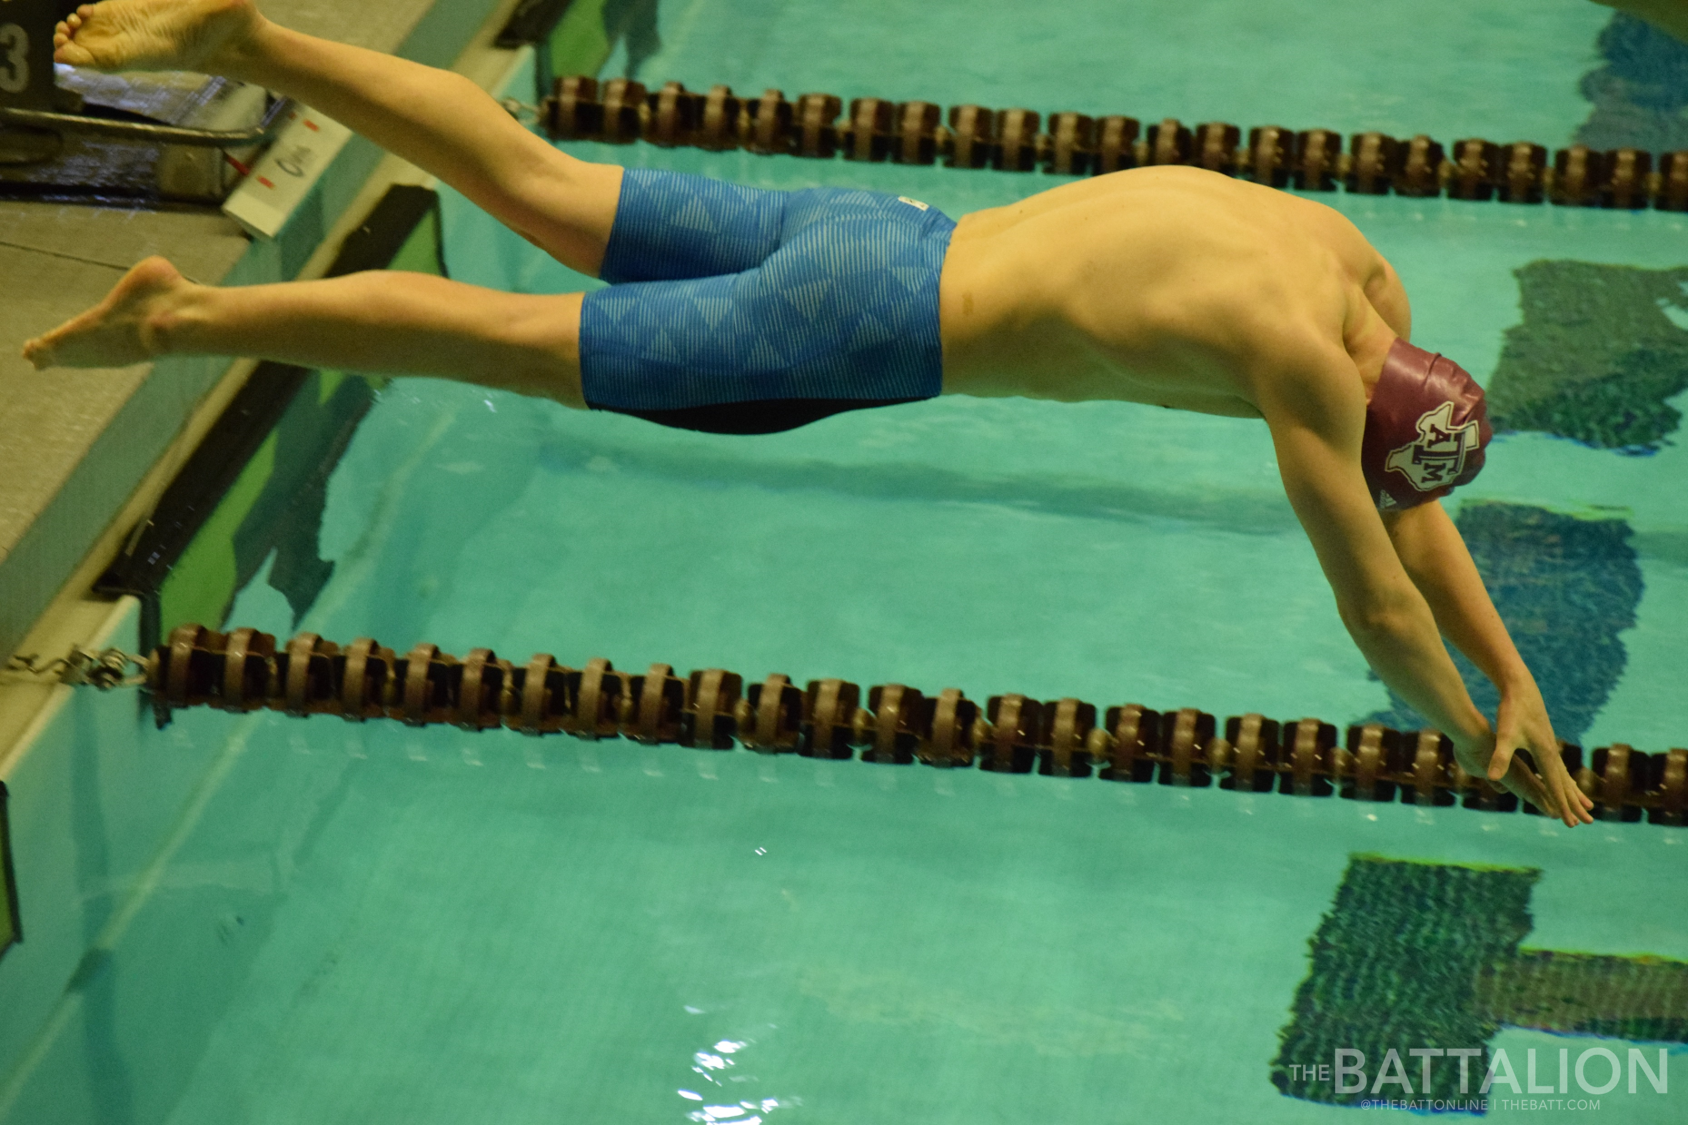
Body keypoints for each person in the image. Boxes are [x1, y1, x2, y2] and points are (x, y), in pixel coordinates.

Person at [25, 0, 1595, 826]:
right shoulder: (1299, 374)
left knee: (546, 186)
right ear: (1376, 409)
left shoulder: (1346, 271)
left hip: (886, 231)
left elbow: (1407, 508)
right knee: (505, 339)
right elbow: (1379, 597)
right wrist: (1471, 737)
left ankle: (256, 43)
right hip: (859, 327)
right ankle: (188, 314)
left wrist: (1514, 667)